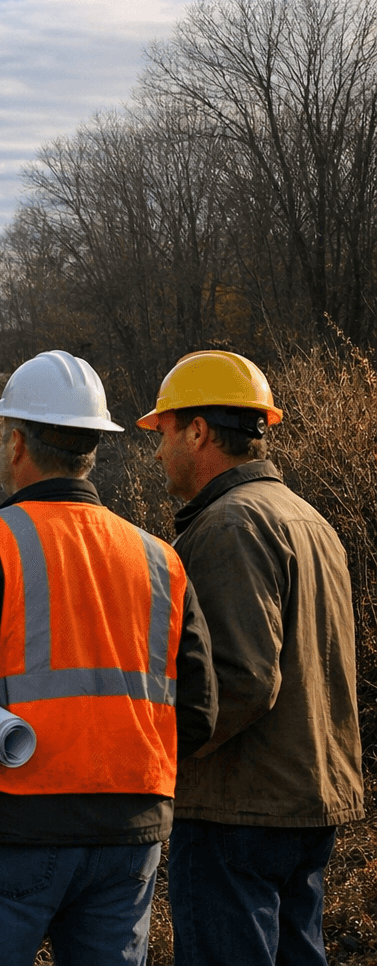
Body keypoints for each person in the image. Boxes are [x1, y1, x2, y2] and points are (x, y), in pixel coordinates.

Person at [0, 350, 217, 966]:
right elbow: (196, 714)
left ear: (15, 444)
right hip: (128, 837)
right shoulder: (161, 560)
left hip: (10, 832)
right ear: (93, 449)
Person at [137, 350, 363, 966]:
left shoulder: (229, 525)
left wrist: (155, 756)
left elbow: (241, 680)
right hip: (307, 801)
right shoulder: (310, 520)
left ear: (199, 431)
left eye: (162, 433)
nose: (156, 453)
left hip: (238, 811)